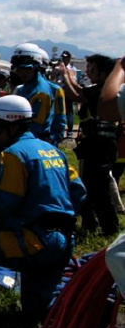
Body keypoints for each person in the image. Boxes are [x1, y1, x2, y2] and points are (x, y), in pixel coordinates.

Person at [0, 95, 86, 325]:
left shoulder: (14, 154)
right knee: (35, 316)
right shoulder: (54, 151)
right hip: (63, 242)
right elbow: (79, 191)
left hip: (33, 242)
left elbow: (6, 202)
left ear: (13, 125)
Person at [61, 54, 121, 236]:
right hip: (96, 145)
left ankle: (110, 227)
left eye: (92, 69)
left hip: (101, 146)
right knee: (87, 184)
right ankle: (90, 222)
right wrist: (68, 73)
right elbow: (80, 90)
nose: (87, 72)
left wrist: (65, 75)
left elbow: (77, 94)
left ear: (104, 74)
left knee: (98, 189)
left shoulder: (102, 92)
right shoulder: (99, 90)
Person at [11, 43, 66, 144]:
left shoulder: (43, 92)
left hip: (34, 142)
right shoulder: (21, 89)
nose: (22, 73)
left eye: (27, 69)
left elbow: (39, 126)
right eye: (19, 69)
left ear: (37, 67)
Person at [51, 50, 78, 137]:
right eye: (63, 57)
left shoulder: (72, 69)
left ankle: (70, 131)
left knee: (69, 111)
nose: (64, 59)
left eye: (66, 58)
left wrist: (64, 72)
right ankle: (58, 130)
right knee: (57, 110)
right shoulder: (57, 68)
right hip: (58, 90)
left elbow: (73, 80)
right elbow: (52, 77)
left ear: (69, 59)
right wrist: (55, 70)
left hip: (67, 91)